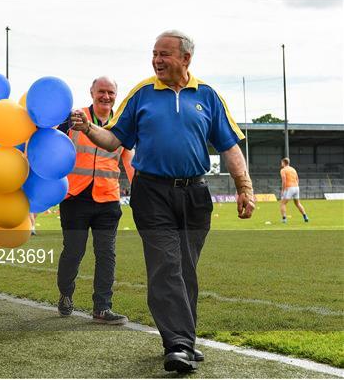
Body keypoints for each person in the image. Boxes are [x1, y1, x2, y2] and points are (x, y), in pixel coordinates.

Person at [70, 31, 255, 372]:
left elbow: (229, 146)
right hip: (151, 192)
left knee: (185, 268)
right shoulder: (141, 94)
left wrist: (244, 187)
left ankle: (185, 336)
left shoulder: (208, 96)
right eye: (154, 54)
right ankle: (179, 344)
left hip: (195, 193)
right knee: (166, 264)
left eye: (165, 54)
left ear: (186, 59)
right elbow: (113, 139)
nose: (157, 60)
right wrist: (86, 129)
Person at [56, 76, 134, 325]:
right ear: (91, 92)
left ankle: (102, 307)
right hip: (75, 196)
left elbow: (129, 161)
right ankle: (66, 293)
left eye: (111, 92)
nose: (106, 96)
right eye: (101, 91)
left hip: (108, 198)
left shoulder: (123, 124)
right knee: (73, 252)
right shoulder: (74, 117)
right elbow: (52, 145)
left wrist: (139, 190)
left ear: (116, 94)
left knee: (106, 254)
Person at [280, 157, 308, 223]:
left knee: (283, 204)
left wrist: (283, 190)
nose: (281, 164)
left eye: (281, 162)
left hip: (289, 187)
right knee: (298, 203)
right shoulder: (293, 169)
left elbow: (284, 181)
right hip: (296, 187)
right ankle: (305, 216)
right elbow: (297, 179)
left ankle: (284, 219)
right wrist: (295, 186)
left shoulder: (283, 170)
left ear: (284, 163)